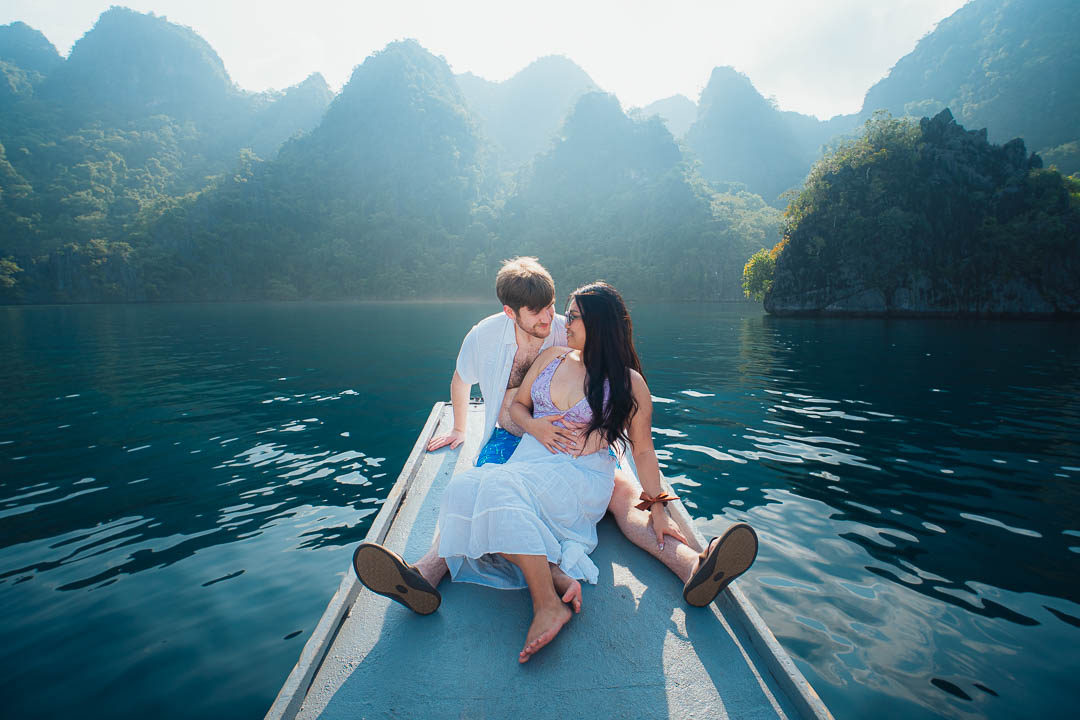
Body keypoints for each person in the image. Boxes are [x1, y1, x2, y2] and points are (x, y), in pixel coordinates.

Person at [354, 281, 755, 662]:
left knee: (496, 492)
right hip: (529, 462)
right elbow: (517, 408)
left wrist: (659, 506)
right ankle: (549, 575)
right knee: (463, 489)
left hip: (578, 477)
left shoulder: (629, 384)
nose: (565, 322)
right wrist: (536, 426)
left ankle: (549, 603)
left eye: (574, 315)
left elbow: (644, 451)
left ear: (598, 323)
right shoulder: (553, 356)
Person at [422, 257, 757, 608]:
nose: (557, 320)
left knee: (610, 492)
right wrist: (477, 426)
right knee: (476, 487)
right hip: (522, 450)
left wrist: (658, 505)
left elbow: (642, 449)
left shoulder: (613, 370)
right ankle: (433, 572)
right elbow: (484, 390)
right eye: (546, 312)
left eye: (562, 312)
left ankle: (692, 566)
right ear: (512, 312)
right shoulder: (513, 344)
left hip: (577, 469)